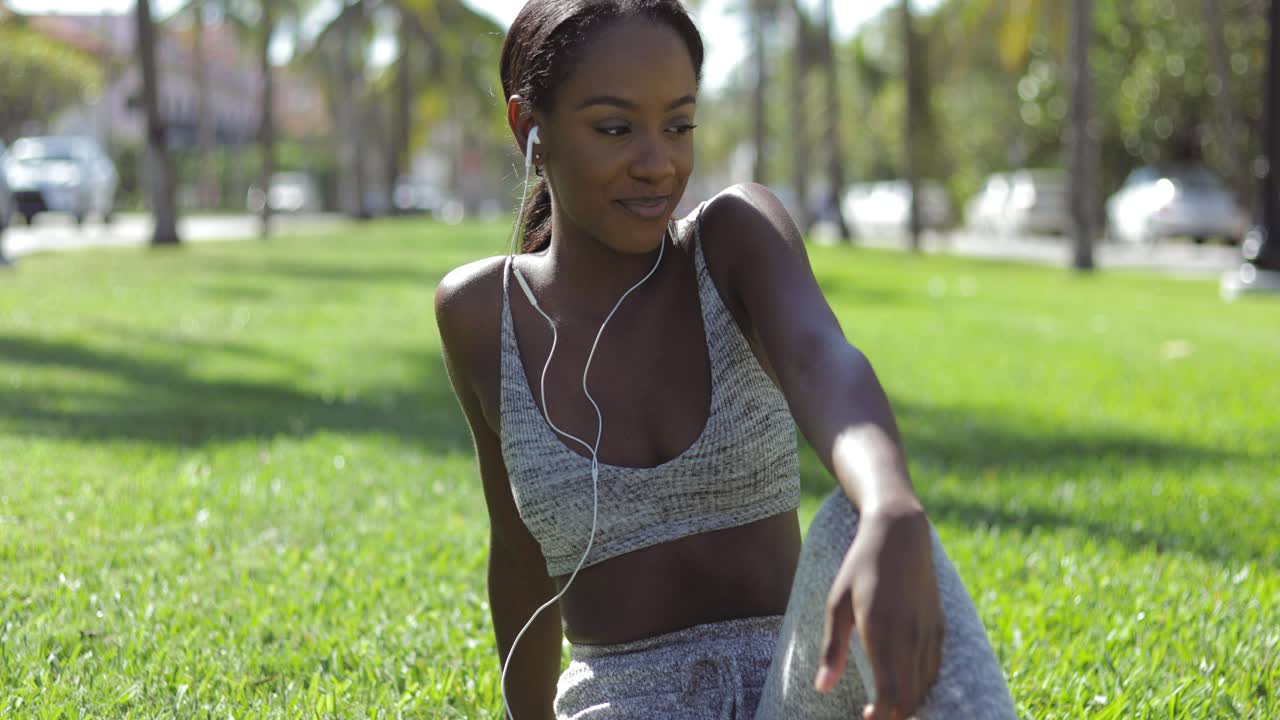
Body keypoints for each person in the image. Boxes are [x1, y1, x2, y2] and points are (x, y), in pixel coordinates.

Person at [434, 1, 1017, 717]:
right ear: (531, 128)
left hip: (796, 684)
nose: (659, 164)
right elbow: (519, 557)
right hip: (624, 704)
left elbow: (819, 357)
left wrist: (892, 502)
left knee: (856, 520)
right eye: (615, 128)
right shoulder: (479, 313)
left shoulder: (733, 241)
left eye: (679, 126)